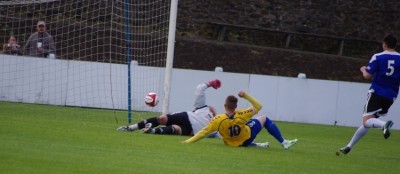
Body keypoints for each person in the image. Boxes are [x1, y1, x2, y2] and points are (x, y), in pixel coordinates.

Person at [339, 34, 399, 155]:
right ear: (395, 45)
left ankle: (384, 125)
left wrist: (363, 69)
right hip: (391, 95)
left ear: (384, 44)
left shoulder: (377, 57)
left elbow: (367, 75)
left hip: (376, 92)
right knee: (370, 122)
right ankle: (349, 146)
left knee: (367, 121)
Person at [183, 91, 298, 149]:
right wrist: (246, 96)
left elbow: (204, 132)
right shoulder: (242, 114)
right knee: (263, 118)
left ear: (224, 105)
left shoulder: (218, 119)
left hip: (231, 144)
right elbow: (258, 106)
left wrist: (187, 141)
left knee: (246, 124)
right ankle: (284, 142)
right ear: (236, 106)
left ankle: (258, 145)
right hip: (246, 139)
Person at [117, 79, 222, 137]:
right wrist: (211, 83)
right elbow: (200, 89)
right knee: (162, 119)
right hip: (187, 117)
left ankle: (151, 131)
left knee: (175, 130)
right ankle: (131, 128)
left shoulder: (217, 127)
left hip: (191, 131)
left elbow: (226, 135)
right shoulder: (203, 108)